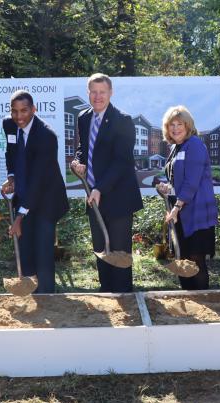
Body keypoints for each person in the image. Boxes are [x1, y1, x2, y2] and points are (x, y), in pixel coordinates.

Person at [70, 73, 143, 293]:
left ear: (110, 93)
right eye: (94, 91)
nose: (98, 96)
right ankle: (107, 293)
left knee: (119, 253)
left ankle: (123, 297)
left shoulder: (123, 120)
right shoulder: (83, 117)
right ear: (88, 93)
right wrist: (77, 161)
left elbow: (122, 161)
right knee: (101, 249)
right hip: (94, 197)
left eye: (102, 92)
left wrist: (100, 187)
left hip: (118, 197)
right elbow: (85, 149)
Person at [0, 90, 69, 293]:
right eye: (15, 111)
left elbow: (39, 181)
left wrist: (19, 217)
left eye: (24, 111)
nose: (19, 116)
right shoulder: (9, 124)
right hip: (24, 194)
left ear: (34, 109)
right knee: (25, 248)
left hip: (47, 199)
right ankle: (29, 292)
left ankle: (47, 296)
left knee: (42, 251)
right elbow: (10, 151)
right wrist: (12, 176)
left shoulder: (47, 136)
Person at [156, 106, 218, 290]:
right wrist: (168, 187)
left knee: (195, 259)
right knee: (182, 257)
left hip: (196, 213)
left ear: (187, 125)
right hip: (182, 212)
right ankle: (189, 298)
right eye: (171, 125)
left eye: (179, 124)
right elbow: (178, 179)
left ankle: (202, 300)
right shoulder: (176, 147)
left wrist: (176, 207)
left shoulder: (195, 145)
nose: (175, 128)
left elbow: (192, 182)